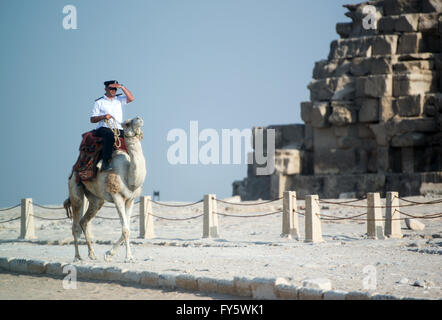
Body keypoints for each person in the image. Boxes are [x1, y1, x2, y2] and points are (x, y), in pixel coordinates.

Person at [90, 80, 135, 171]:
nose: (113, 91)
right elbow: (92, 119)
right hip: (104, 127)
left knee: (132, 137)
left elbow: (131, 98)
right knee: (110, 136)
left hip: (118, 128)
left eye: (115, 89)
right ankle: (105, 162)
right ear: (106, 88)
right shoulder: (99, 102)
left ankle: (133, 163)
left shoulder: (119, 99)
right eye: (111, 88)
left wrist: (122, 87)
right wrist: (103, 116)